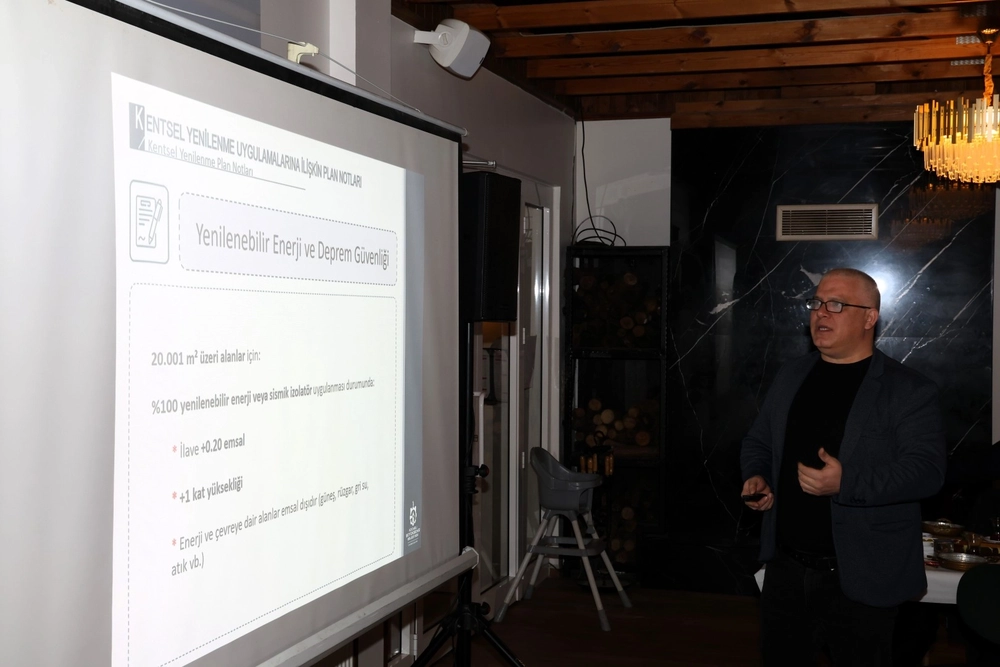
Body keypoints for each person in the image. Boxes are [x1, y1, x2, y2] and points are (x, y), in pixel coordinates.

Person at [740, 267, 947, 666]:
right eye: (816, 303)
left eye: (836, 304)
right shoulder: (791, 375)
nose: (821, 312)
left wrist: (846, 482)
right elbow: (759, 441)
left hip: (862, 576)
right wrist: (757, 476)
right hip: (786, 569)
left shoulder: (908, 389)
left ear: (870, 317)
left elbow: (927, 471)